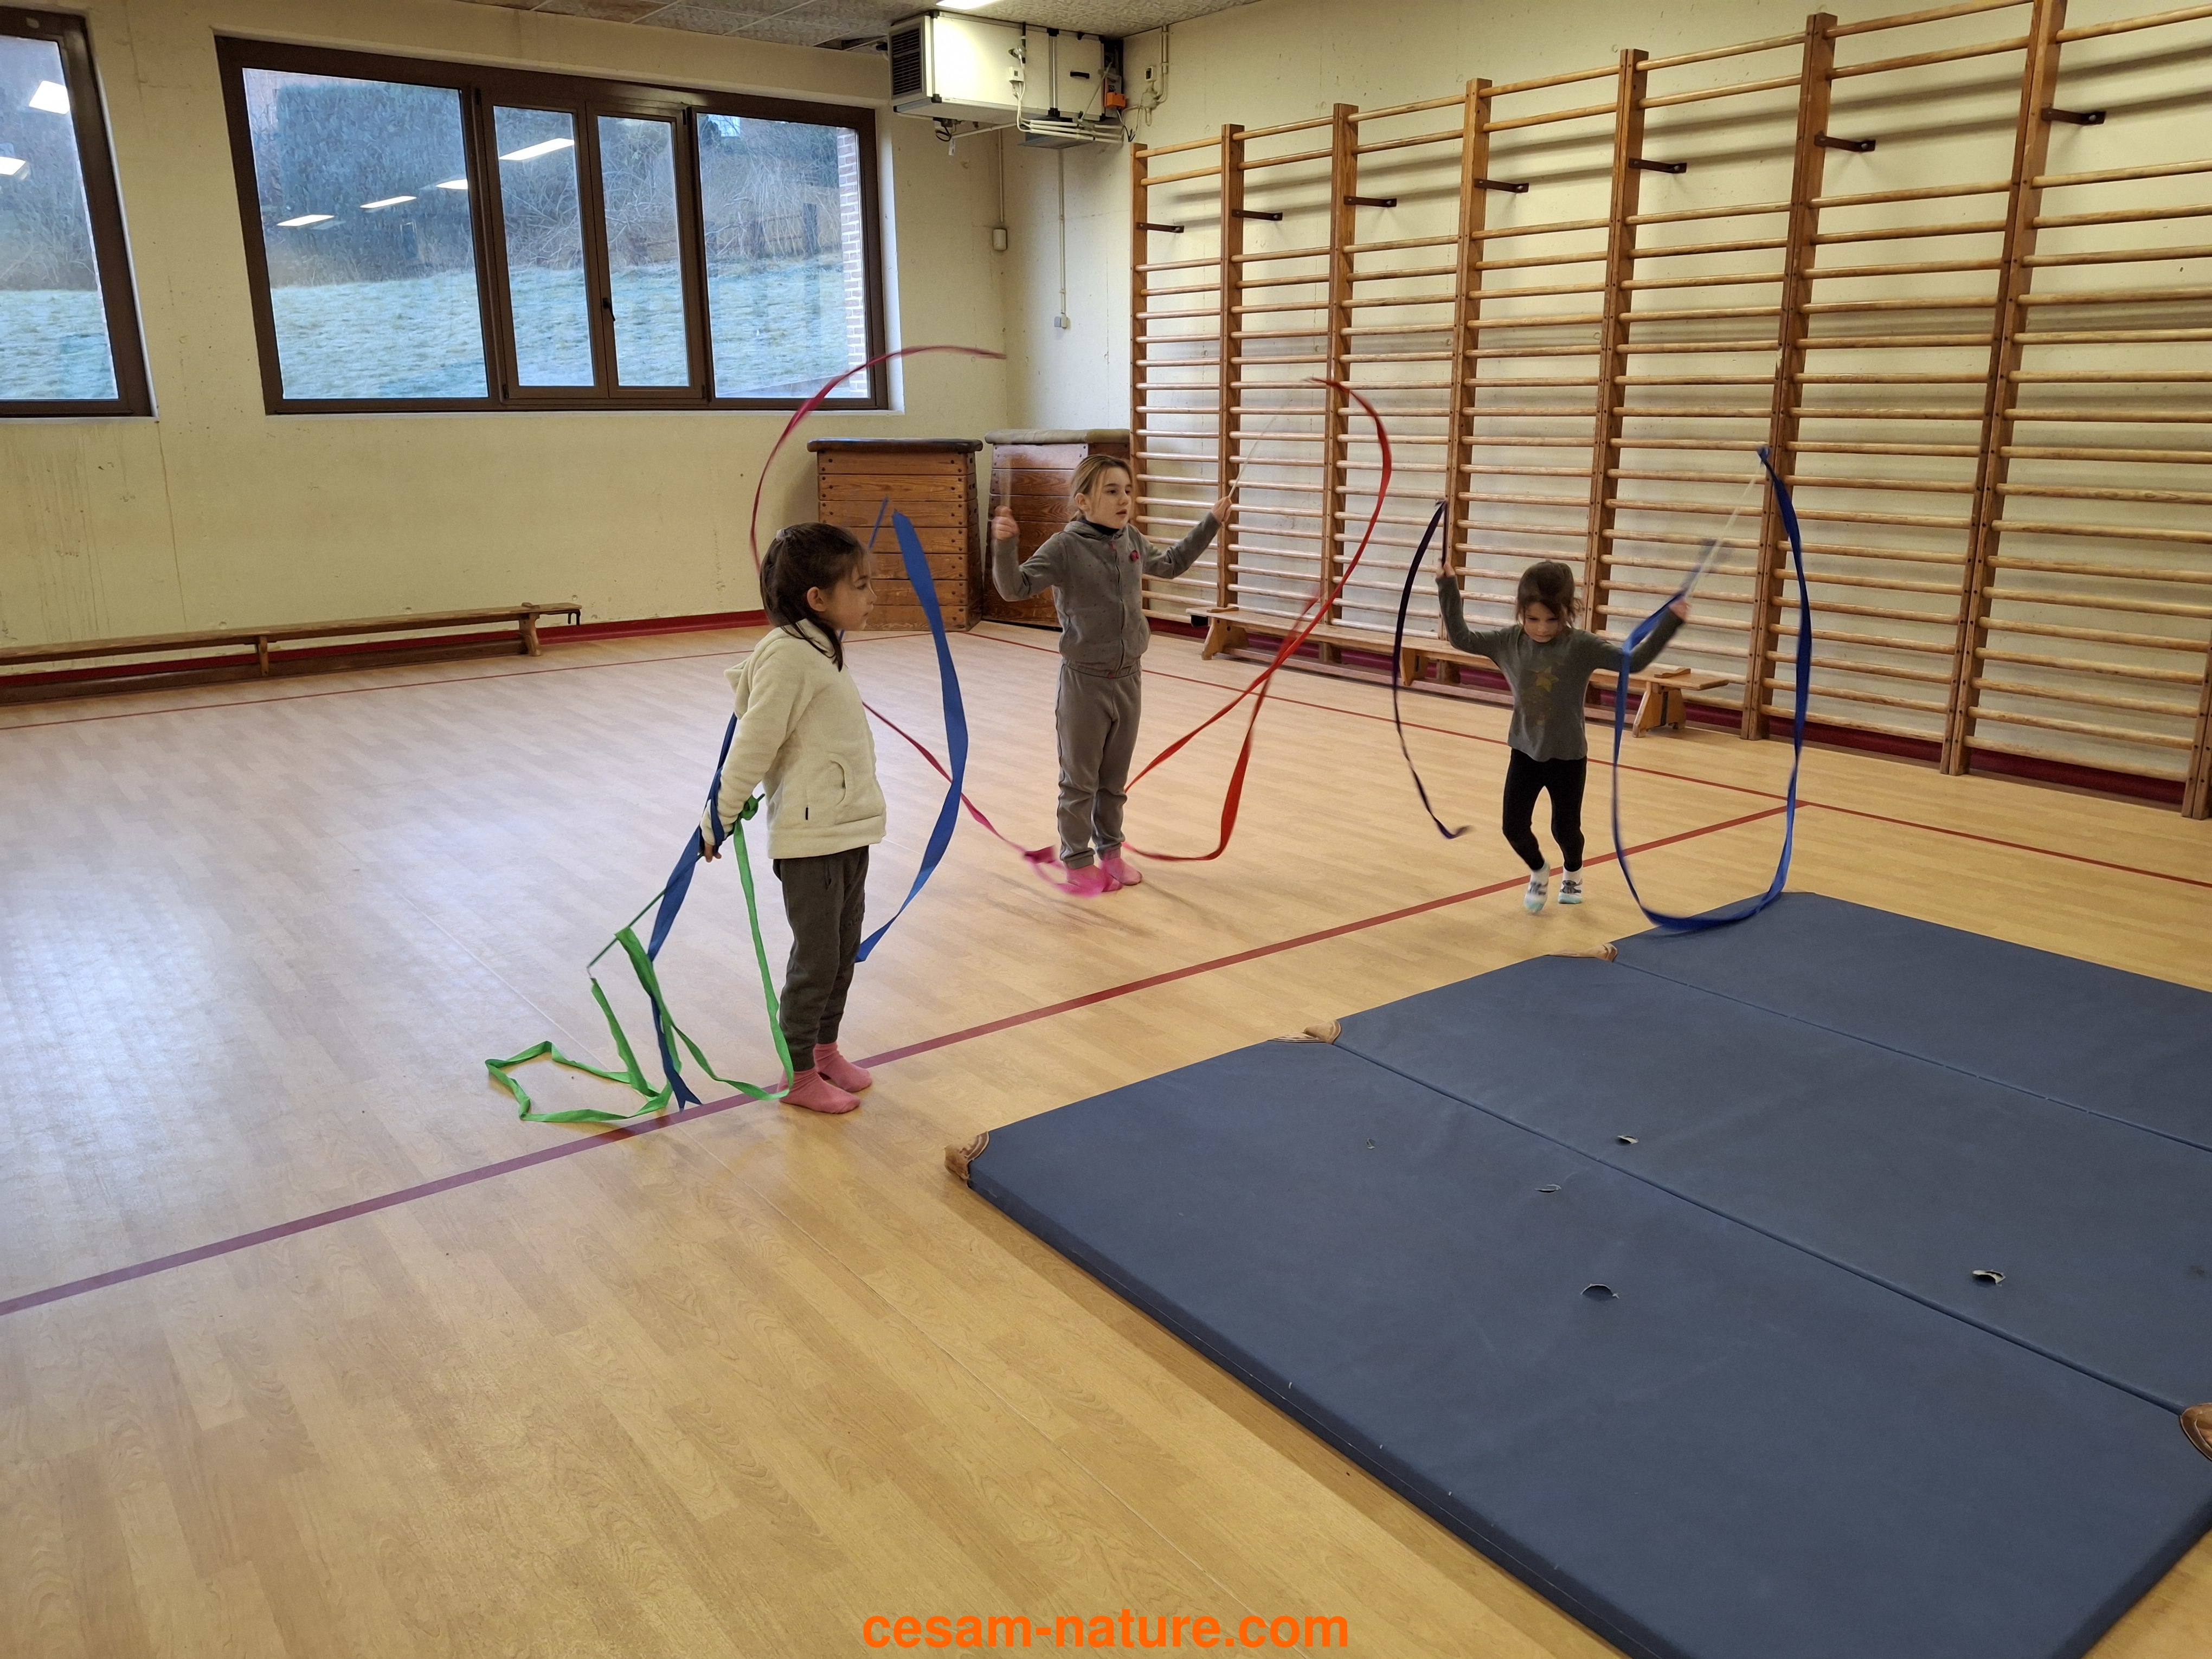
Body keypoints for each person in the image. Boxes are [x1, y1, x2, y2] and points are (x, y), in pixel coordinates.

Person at [700, 523, 884, 1115]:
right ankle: (798, 1072)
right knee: (817, 961)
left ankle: (825, 1051)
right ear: (818, 598)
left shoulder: (822, 645)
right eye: (860, 585)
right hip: (812, 841)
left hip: (847, 830)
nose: (872, 595)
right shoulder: (788, 655)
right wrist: (719, 816)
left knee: (842, 952)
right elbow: (753, 744)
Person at [990, 456, 1230, 895]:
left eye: (1127, 490)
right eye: (1112, 491)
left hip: (1129, 679)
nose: (1124, 499)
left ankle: (1111, 852)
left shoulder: (1131, 539)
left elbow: (1172, 564)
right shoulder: (1065, 547)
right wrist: (1006, 546)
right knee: (1080, 781)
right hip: (1084, 683)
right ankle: (1077, 859)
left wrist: (1211, 522)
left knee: (1114, 782)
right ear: (1083, 502)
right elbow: (1014, 588)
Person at [1435, 558, 1687, 913]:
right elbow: (1461, 638)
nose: (1541, 628)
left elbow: (1634, 662)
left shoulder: (1581, 646)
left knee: (1565, 830)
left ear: (1568, 612)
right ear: (1521, 611)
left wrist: (1671, 621)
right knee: (1513, 828)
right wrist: (1448, 585)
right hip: (1524, 752)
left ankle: (1573, 872)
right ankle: (1539, 870)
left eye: (1552, 620)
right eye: (1533, 619)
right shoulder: (1508, 642)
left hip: (1568, 756)